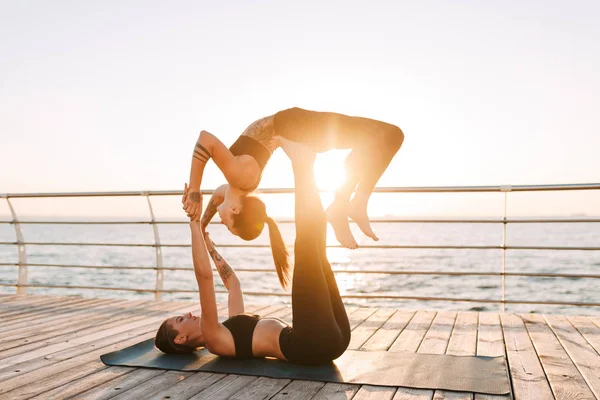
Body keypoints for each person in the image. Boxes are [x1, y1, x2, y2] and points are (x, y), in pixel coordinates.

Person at [156, 138, 350, 364]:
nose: (188, 314)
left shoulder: (227, 328)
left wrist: (211, 249)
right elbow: (204, 278)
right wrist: (194, 222)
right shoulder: (213, 338)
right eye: (180, 319)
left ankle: (304, 163)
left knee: (316, 247)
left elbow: (233, 285)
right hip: (311, 343)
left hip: (333, 341)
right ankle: (302, 163)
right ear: (181, 339)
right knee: (307, 244)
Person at [183, 107, 405, 252]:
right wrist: (194, 191)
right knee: (379, 137)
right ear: (235, 210)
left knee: (392, 135)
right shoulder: (239, 178)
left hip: (297, 126)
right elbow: (206, 139)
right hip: (296, 127)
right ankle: (346, 204)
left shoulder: (233, 186)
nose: (222, 222)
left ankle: (355, 203)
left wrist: (201, 225)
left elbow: (215, 198)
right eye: (227, 226)